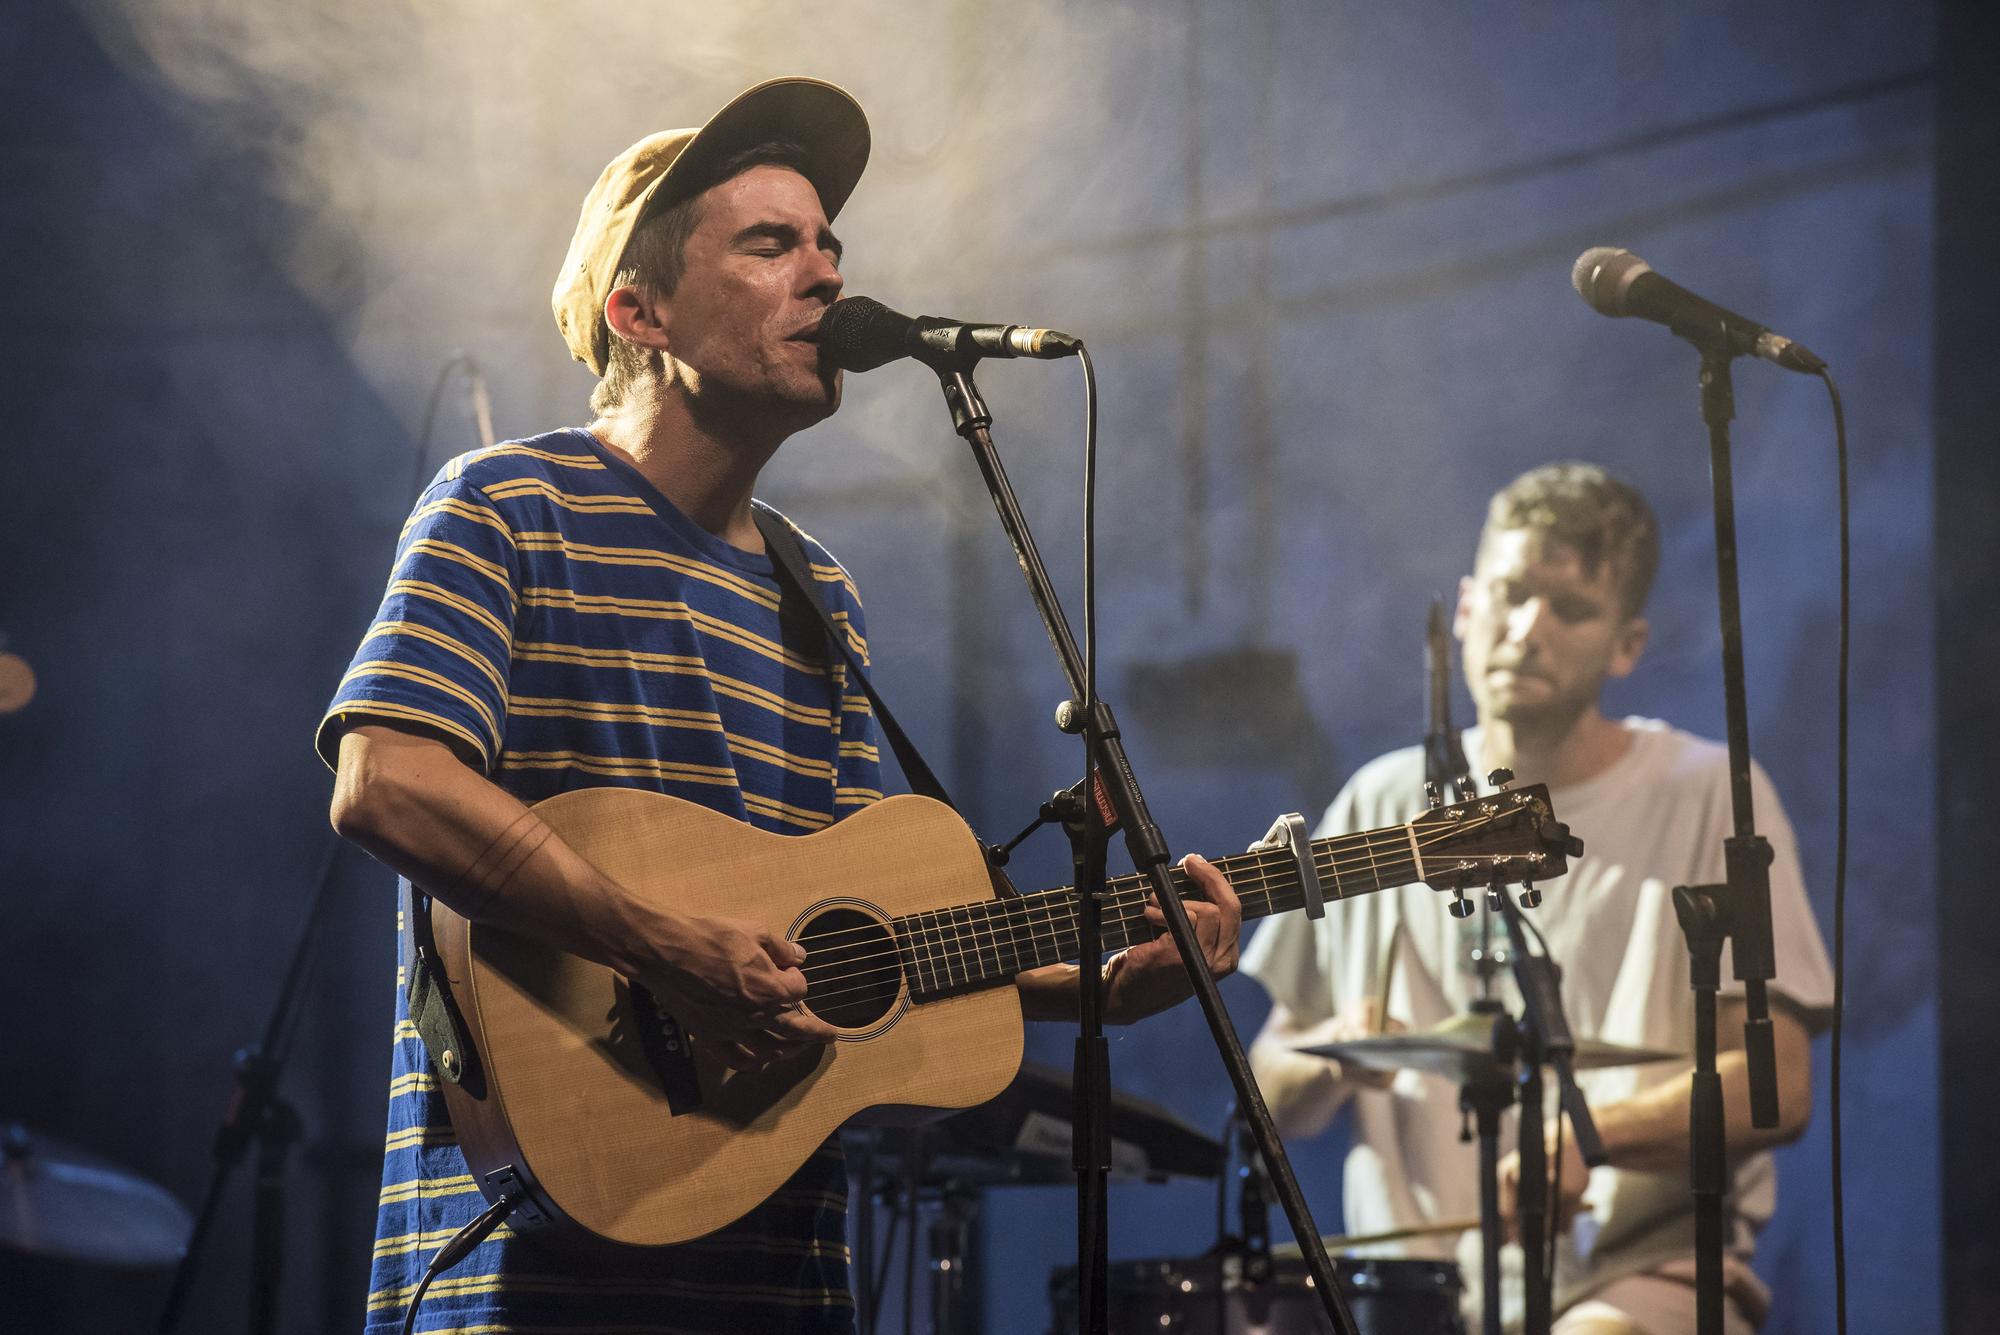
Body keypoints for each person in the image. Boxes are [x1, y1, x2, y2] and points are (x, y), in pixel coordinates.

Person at [320, 77, 1241, 1335]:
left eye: (828, 246)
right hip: (527, 1277)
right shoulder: (504, 506)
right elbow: (385, 784)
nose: (823, 277)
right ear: (635, 310)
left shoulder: (820, 593)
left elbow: (854, 953)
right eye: (769, 244)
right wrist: (659, 945)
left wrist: (1088, 980)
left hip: (777, 1279)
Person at [1243, 463, 1833, 1333]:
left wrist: (1588, 1132)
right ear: (1469, 606)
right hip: (1411, 1297)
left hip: (1634, 1278)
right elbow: (1269, 1082)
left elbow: (1778, 1085)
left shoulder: (1712, 791)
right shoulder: (1381, 799)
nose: (1528, 630)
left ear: (1627, 644)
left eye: (1571, 608)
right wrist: (1330, 1053)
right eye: (1513, 595)